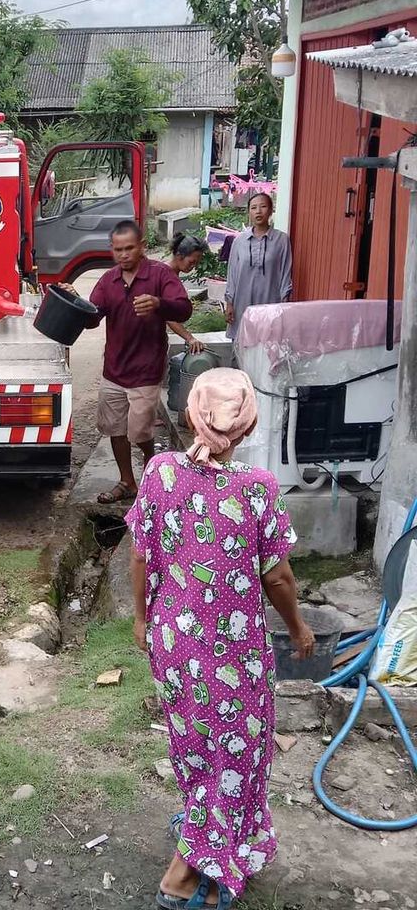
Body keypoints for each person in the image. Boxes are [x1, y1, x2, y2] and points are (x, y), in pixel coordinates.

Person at [125, 368, 315, 910]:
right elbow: (276, 576)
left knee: (195, 746)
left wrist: (141, 620)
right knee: (234, 754)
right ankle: (185, 875)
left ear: (191, 416)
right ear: (249, 425)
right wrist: (299, 628)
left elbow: (140, 554)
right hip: (234, 652)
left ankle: (210, 838)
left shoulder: (160, 473)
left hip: (174, 645)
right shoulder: (257, 488)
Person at [72, 221, 193, 504]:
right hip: (114, 369)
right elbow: (92, 319)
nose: (123, 255)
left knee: (139, 431)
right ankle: (128, 482)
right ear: (112, 250)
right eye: (118, 250)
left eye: (129, 248)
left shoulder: (160, 275)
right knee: (114, 429)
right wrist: (75, 301)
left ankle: (156, 476)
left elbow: (185, 309)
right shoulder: (108, 281)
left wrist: (159, 304)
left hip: (145, 370)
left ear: (142, 247)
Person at [224, 194, 292, 341]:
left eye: (263, 206)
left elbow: (286, 272)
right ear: (249, 212)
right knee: (242, 344)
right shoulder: (239, 241)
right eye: (253, 208)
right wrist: (229, 302)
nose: (258, 211)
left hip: (270, 302)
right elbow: (232, 273)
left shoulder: (282, 240)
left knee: (268, 344)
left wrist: (284, 304)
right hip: (242, 302)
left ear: (271, 210)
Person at [168, 233, 209, 354]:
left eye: (196, 263)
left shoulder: (172, 274)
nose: (193, 266)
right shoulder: (166, 275)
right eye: (191, 262)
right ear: (179, 255)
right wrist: (189, 338)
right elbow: (168, 316)